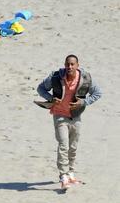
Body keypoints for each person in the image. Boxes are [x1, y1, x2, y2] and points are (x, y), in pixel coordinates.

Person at [37, 55, 102, 189]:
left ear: (78, 65)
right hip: (59, 115)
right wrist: (51, 98)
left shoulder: (85, 78)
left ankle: (71, 172)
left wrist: (83, 102)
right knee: (63, 145)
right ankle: (63, 175)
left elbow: (97, 93)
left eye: (72, 64)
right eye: (67, 64)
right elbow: (40, 88)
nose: (70, 67)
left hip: (76, 116)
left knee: (73, 147)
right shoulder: (55, 77)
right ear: (64, 65)